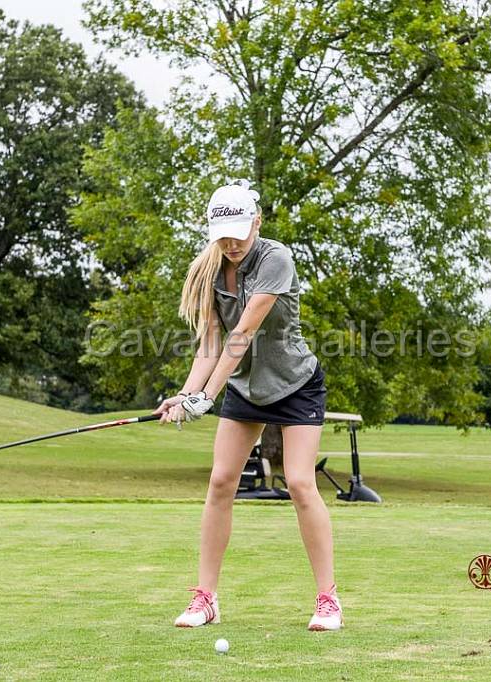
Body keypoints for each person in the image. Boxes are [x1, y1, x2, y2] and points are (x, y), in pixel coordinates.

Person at [153, 179, 342, 631]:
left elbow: (243, 334)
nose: (233, 243)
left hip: (296, 385)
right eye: (224, 235)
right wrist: (186, 393)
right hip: (245, 389)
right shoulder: (210, 271)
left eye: (240, 231)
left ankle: (327, 600)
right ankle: (205, 599)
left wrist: (206, 396)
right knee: (220, 481)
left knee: (299, 482)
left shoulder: (275, 258)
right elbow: (212, 340)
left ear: (256, 222)